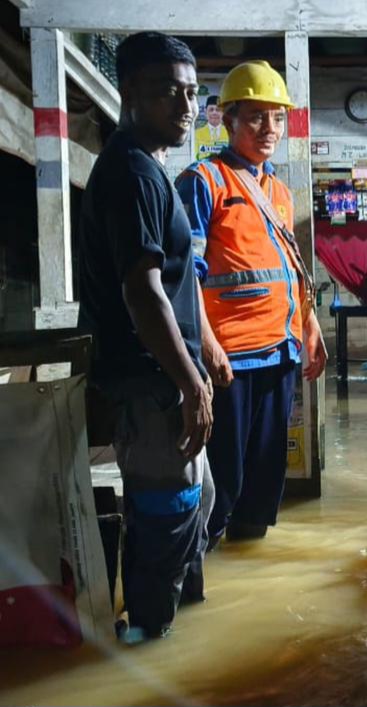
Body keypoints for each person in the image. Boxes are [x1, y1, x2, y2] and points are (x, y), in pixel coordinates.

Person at [78, 32, 214, 640]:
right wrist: (189, 380)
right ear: (128, 92)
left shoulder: (149, 168)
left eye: (190, 93)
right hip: (153, 381)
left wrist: (200, 358)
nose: (184, 106)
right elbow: (142, 290)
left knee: (196, 501)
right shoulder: (132, 172)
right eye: (168, 93)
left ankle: (175, 628)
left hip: (169, 377)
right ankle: (147, 635)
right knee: (168, 509)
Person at [176, 60, 327, 547]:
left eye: (277, 118)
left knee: (265, 481)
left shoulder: (279, 191)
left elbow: (288, 266)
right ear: (228, 119)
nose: (269, 129)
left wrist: (310, 325)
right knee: (224, 478)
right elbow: (184, 275)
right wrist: (207, 346)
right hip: (230, 360)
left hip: (280, 353)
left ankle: (245, 562)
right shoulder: (204, 181)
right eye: (257, 117)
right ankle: (203, 562)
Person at [194, 95, 229, 160]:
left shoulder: (229, 133)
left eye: (218, 110)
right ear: (205, 112)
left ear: (223, 112)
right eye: (211, 110)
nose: (214, 113)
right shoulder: (197, 134)